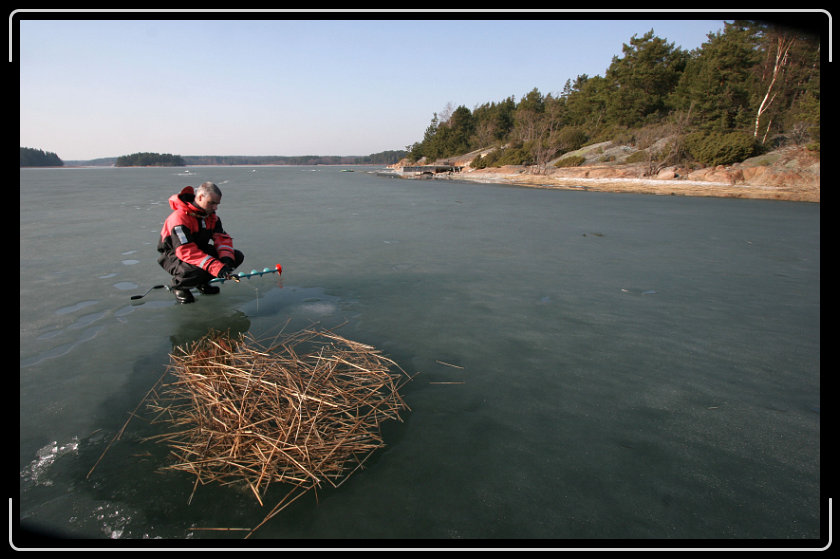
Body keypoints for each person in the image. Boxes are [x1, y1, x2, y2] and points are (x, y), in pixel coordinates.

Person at [157, 181, 244, 304]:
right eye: (212, 203)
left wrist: (226, 261)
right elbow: (185, 250)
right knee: (195, 270)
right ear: (200, 197)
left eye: (217, 204)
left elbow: (222, 238)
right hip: (173, 255)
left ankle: (202, 283)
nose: (215, 208)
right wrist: (216, 267)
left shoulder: (212, 217)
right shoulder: (179, 218)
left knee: (236, 256)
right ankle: (179, 286)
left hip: (198, 250)